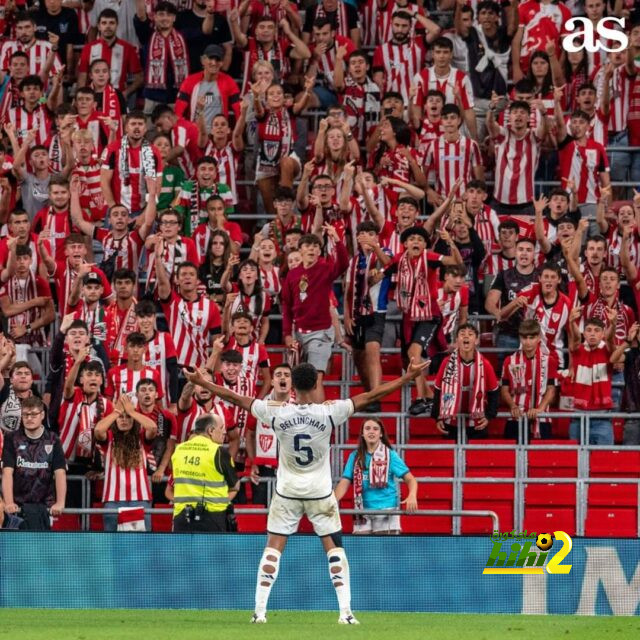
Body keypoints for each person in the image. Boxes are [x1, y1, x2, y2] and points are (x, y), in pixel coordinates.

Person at [184, 357, 427, 624]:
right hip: (320, 493)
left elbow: (236, 398)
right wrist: (407, 378)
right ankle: (345, 613)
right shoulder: (329, 412)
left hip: (287, 491)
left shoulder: (276, 412)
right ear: (315, 385)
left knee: (273, 550)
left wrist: (201, 382)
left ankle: (259, 612)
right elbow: (371, 395)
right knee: (335, 551)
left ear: (293, 388)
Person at [334, 417, 418, 535]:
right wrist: (332, 502)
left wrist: (412, 495)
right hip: (362, 511)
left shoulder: (391, 455)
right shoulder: (354, 456)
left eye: (375, 429)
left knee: (385, 551)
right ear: (362, 433)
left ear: (381, 434)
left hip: (387, 510)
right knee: (363, 550)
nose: (371, 431)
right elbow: (345, 482)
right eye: (367, 428)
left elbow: (410, 479)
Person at [1, 396, 66, 530]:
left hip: (44, 507)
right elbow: (7, 473)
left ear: (42, 415)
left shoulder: (53, 439)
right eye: (25, 415)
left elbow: (60, 473)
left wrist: (60, 503)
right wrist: (9, 502)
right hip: (17, 508)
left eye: (33, 414)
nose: (29, 418)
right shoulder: (12, 438)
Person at [94, 394, 158, 532]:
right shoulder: (110, 438)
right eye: (120, 418)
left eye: (127, 417)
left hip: (140, 499)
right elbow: (98, 430)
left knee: (141, 546)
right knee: (113, 545)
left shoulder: (141, 438)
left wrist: (132, 412)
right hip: (112, 500)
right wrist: (116, 412)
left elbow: (152, 428)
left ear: (134, 420)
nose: (124, 420)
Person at [170, 413, 239, 533]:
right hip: (213, 519)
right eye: (221, 428)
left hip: (181, 518)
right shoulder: (219, 452)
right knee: (212, 552)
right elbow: (235, 485)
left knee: (184, 552)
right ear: (211, 430)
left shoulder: (179, 449)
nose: (224, 433)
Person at [432, 323, 500, 440]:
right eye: (462, 334)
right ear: (457, 340)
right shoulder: (446, 363)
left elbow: (494, 392)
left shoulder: (485, 364)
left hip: (476, 423)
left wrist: (489, 416)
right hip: (450, 421)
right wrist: (438, 417)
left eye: (470, 334)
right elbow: (438, 390)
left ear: (477, 340)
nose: (466, 337)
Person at [500, 318, 558, 441]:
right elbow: (504, 389)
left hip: (542, 418)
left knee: (541, 458)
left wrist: (540, 409)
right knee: (511, 458)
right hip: (516, 417)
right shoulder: (509, 361)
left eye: (531, 338)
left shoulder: (549, 361)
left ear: (538, 338)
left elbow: (551, 389)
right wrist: (512, 406)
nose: (528, 342)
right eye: (524, 338)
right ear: (520, 338)